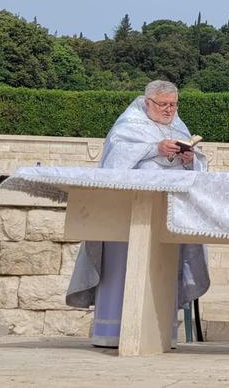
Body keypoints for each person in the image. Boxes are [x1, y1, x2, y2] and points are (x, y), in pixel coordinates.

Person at [65, 80, 211, 348]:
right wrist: (155, 148)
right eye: (163, 104)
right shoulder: (128, 124)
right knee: (122, 270)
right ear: (147, 103)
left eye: (173, 104)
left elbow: (198, 166)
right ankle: (112, 333)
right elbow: (114, 162)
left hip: (167, 212)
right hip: (127, 213)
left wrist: (190, 160)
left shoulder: (178, 126)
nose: (169, 110)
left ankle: (159, 334)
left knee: (163, 270)